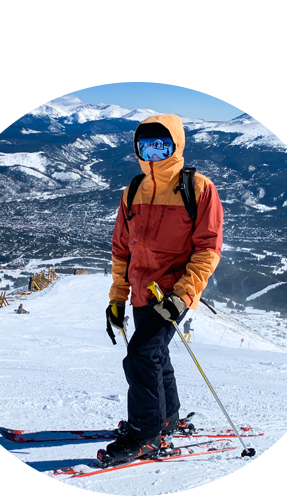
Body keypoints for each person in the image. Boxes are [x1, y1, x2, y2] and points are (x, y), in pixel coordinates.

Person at [105, 114, 223, 462]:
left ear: (176, 146)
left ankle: (147, 434)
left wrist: (183, 294)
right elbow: (121, 250)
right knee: (155, 355)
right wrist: (117, 298)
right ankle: (166, 417)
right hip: (143, 292)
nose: (153, 154)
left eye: (161, 145)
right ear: (138, 149)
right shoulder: (133, 191)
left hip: (172, 293)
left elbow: (207, 249)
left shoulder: (199, 188)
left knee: (141, 356)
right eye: (146, 146)